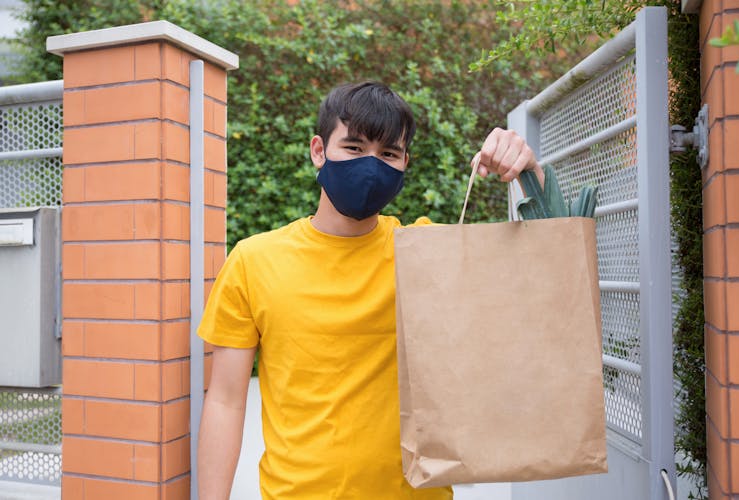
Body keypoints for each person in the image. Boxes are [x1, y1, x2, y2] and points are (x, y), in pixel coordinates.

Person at [197, 81, 543, 500]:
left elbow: (537, 279)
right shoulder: (252, 261)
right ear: (318, 151)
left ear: (404, 165)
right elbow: (226, 401)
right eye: (355, 147)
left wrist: (529, 173)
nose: (371, 164)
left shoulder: (425, 251)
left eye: (388, 154)